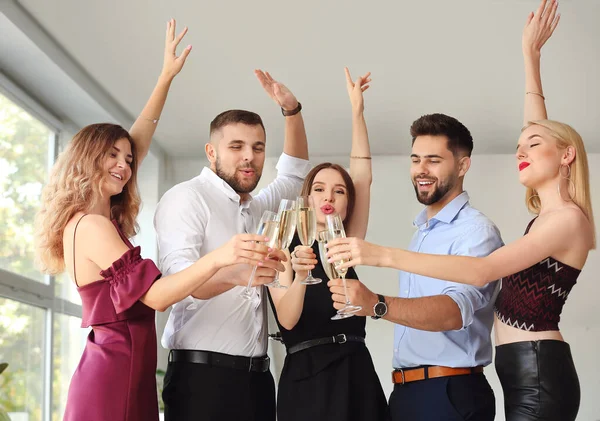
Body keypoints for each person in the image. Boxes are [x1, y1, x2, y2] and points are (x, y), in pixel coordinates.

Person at [328, 2, 593, 420]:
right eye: (520, 149)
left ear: (566, 156)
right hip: (520, 368)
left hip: (539, 369)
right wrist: (530, 57)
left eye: (532, 148)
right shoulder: (549, 214)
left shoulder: (568, 221)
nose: (521, 152)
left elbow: (480, 271)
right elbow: (539, 132)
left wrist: (378, 255)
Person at [34, 21, 282, 421]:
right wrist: (222, 259)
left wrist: (165, 78)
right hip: (113, 373)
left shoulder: (101, 217)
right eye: (111, 156)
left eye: (128, 159)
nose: (124, 164)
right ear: (87, 159)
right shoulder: (91, 227)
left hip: (130, 370)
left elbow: (138, 138)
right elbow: (157, 296)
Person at [154, 70, 311, 421]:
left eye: (257, 148)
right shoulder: (187, 198)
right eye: (236, 146)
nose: (249, 157)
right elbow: (178, 284)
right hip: (203, 381)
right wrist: (238, 274)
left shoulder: (256, 208)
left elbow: (294, 174)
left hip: (257, 381)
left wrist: (292, 111)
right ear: (212, 152)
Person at [328, 111, 503, 420]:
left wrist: (376, 304)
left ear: (462, 165)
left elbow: (453, 311)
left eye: (433, 160)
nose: (421, 170)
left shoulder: (475, 232)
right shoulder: (423, 231)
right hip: (409, 392)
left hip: (449, 393)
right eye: (415, 159)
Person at [267, 68, 388, 421]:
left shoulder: (346, 242)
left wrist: (357, 112)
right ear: (306, 198)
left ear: (347, 203)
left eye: (339, 190)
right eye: (319, 188)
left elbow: (362, 176)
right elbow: (287, 320)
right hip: (307, 379)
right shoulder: (282, 248)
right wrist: (301, 274)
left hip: (356, 373)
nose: (329, 196)